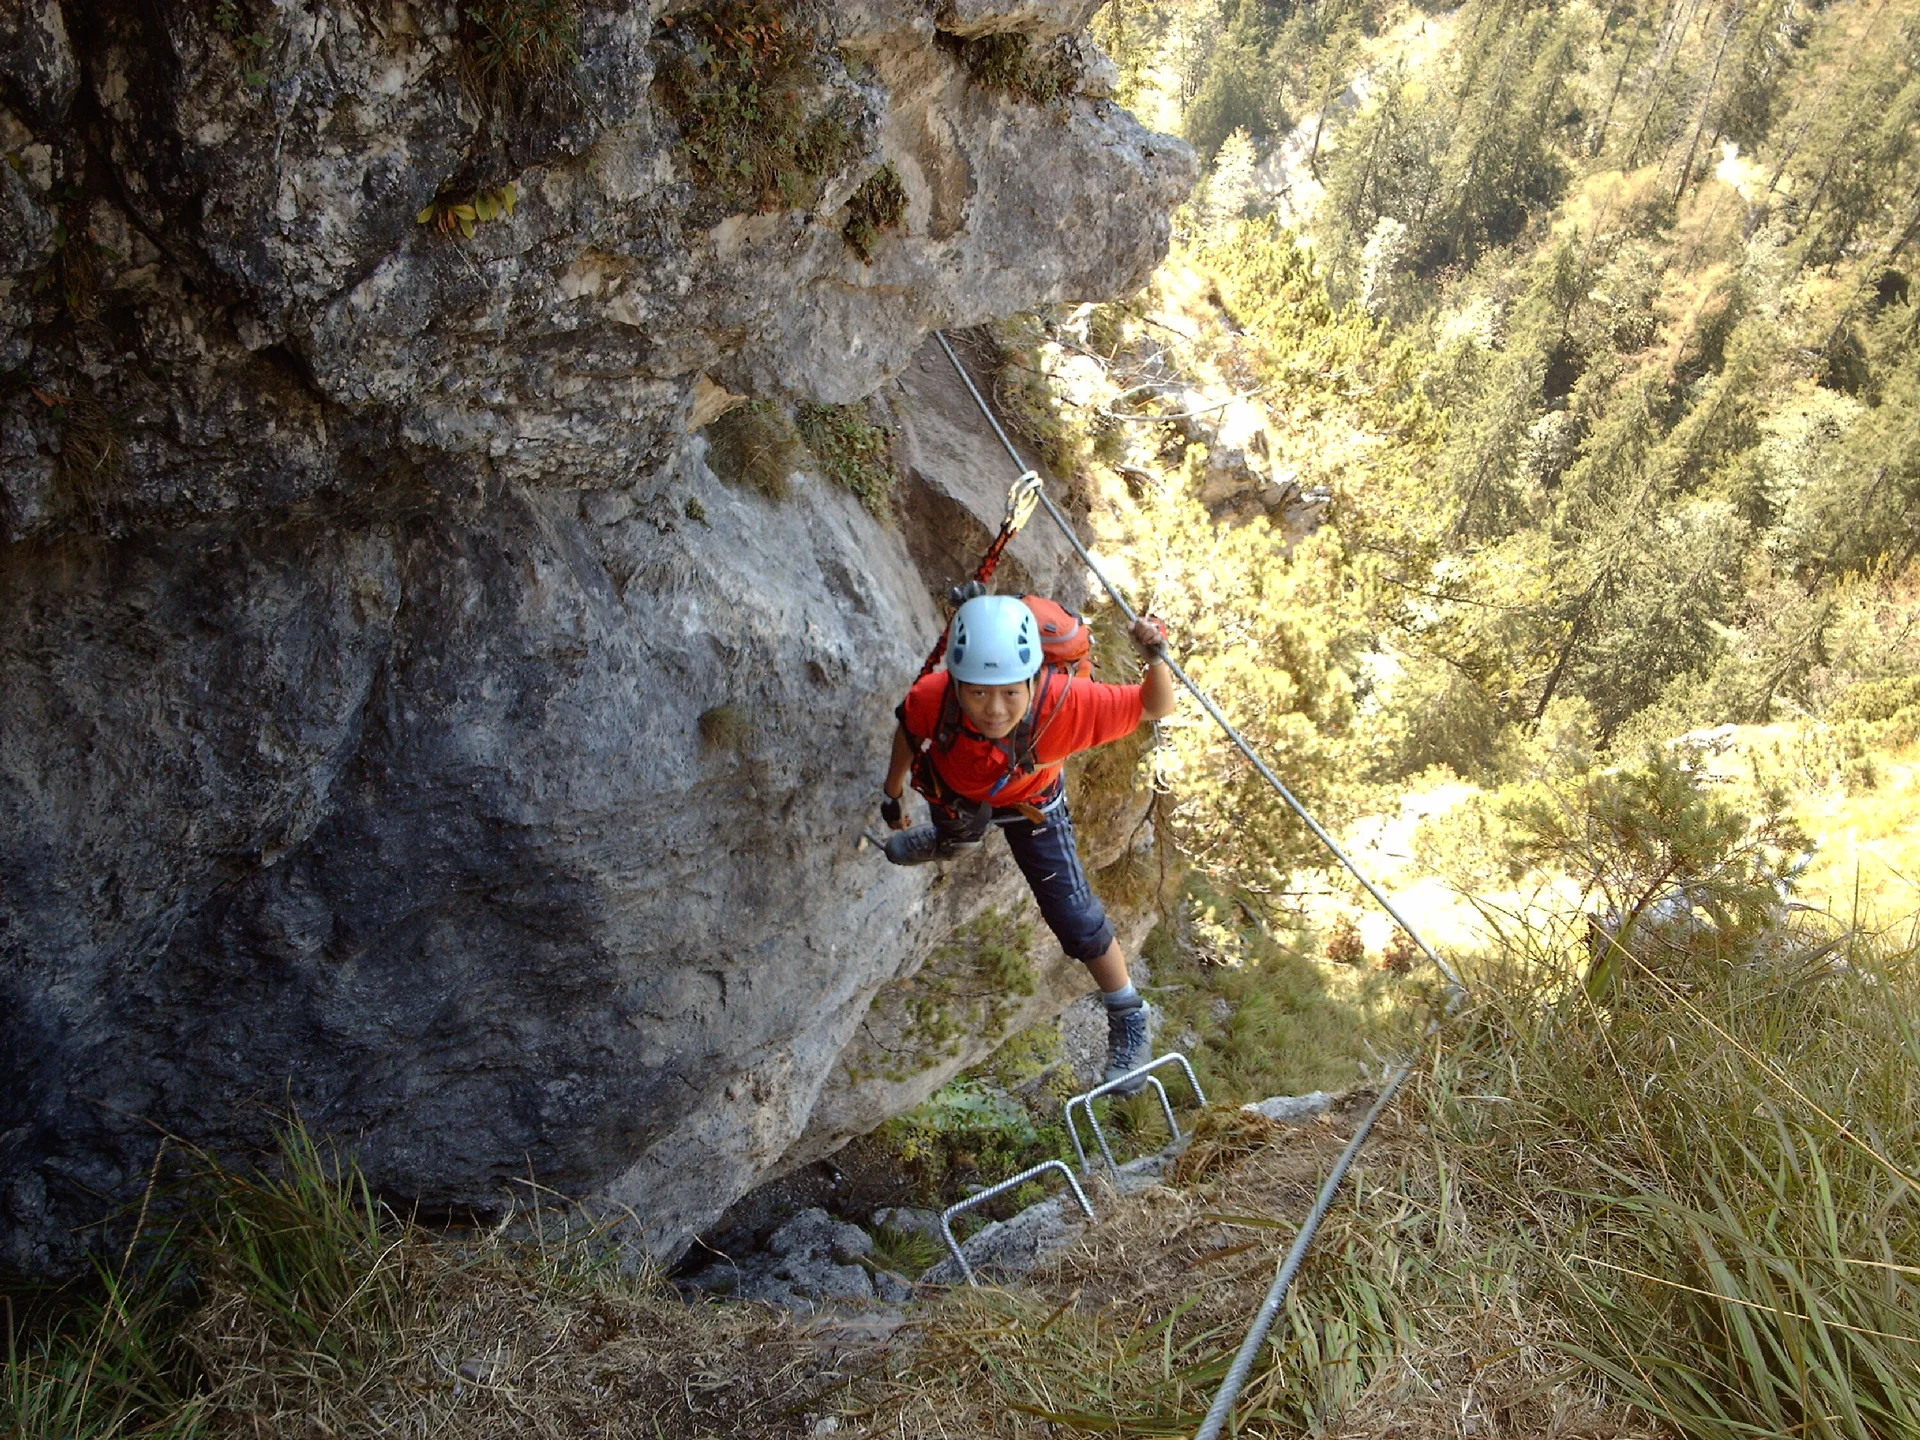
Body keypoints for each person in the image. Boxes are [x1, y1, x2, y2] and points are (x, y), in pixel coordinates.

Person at [879, 594, 1177, 1088]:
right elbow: (909, 734)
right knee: (957, 827)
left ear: (1035, 680)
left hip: (1030, 807)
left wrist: (1155, 660)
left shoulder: (1066, 704)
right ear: (957, 683)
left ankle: (1128, 1013)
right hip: (959, 793)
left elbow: (1155, 706)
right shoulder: (934, 696)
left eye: (1011, 693)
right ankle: (953, 842)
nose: (994, 711)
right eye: (978, 693)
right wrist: (893, 794)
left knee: (1073, 917)